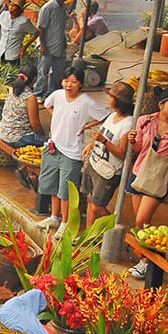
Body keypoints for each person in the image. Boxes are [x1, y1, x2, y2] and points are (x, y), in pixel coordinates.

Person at [37, 69, 108, 234]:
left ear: (81, 84)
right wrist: (59, 117)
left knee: (66, 191)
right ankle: (54, 217)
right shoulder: (57, 95)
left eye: (74, 82)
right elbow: (47, 105)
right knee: (53, 185)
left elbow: (104, 116)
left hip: (72, 152)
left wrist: (86, 126)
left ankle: (65, 222)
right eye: (66, 81)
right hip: (53, 146)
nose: (69, 85)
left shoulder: (86, 102)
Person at [125, 87, 168, 240]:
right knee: (141, 225)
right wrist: (132, 141)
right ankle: (143, 258)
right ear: (161, 105)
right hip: (138, 173)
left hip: (158, 179)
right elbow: (138, 148)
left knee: (141, 220)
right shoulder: (145, 121)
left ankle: (145, 259)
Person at [80, 82, 137, 225]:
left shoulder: (128, 124)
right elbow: (103, 135)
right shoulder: (112, 116)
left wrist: (103, 141)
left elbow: (122, 153)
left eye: (111, 97)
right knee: (90, 200)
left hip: (108, 172)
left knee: (97, 206)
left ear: (119, 101)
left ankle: (114, 226)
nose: (108, 100)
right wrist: (92, 145)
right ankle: (89, 235)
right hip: (94, 163)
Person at [34, 0, 71, 94]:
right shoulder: (48, 8)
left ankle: (52, 93)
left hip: (59, 46)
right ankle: (38, 93)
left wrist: (64, 42)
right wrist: (43, 45)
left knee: (57, 72)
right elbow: (41, 28)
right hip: (48, 45)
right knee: (42, 71)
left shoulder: (62, 8)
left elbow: (60, 27)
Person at [0, 69, 46, 149]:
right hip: (17, 139)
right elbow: (35, 125)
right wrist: (43, 135)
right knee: (49, 142)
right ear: (34, 79)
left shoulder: (12, 90)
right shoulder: (30, 97)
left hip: (3, 133)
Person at [0, 0, 36, 67]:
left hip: (14, 53)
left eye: (13, 6)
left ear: (19, 9)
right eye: (10, 5)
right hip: (0, 50)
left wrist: (25, 47)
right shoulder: (4, 15)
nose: (10, 8)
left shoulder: (24, 21)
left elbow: (36, 33)